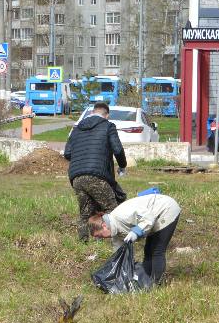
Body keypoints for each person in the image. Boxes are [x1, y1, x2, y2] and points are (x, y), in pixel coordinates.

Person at [63, 102, 128, 240]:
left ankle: (83, 241)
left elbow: (67, 153)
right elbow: (117, 149)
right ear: (107, 115)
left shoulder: (77, 128)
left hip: (76, 177)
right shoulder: (108, 126)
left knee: (85, 213)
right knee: (113, 209)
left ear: (92, 112)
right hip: (96, 176)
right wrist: (122, 166)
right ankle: (119, 239)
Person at [88, 192, 181, 285]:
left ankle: (157, 284)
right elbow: (119, 253)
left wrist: (136, 231)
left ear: (104, 226)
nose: (102, 238)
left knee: (157, 250)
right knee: (148, 251)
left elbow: (149, 218)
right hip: (154, 218)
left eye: (100, 235)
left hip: (165, 209)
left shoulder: (122, 215)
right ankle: (146, 281)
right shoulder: (114, 232)